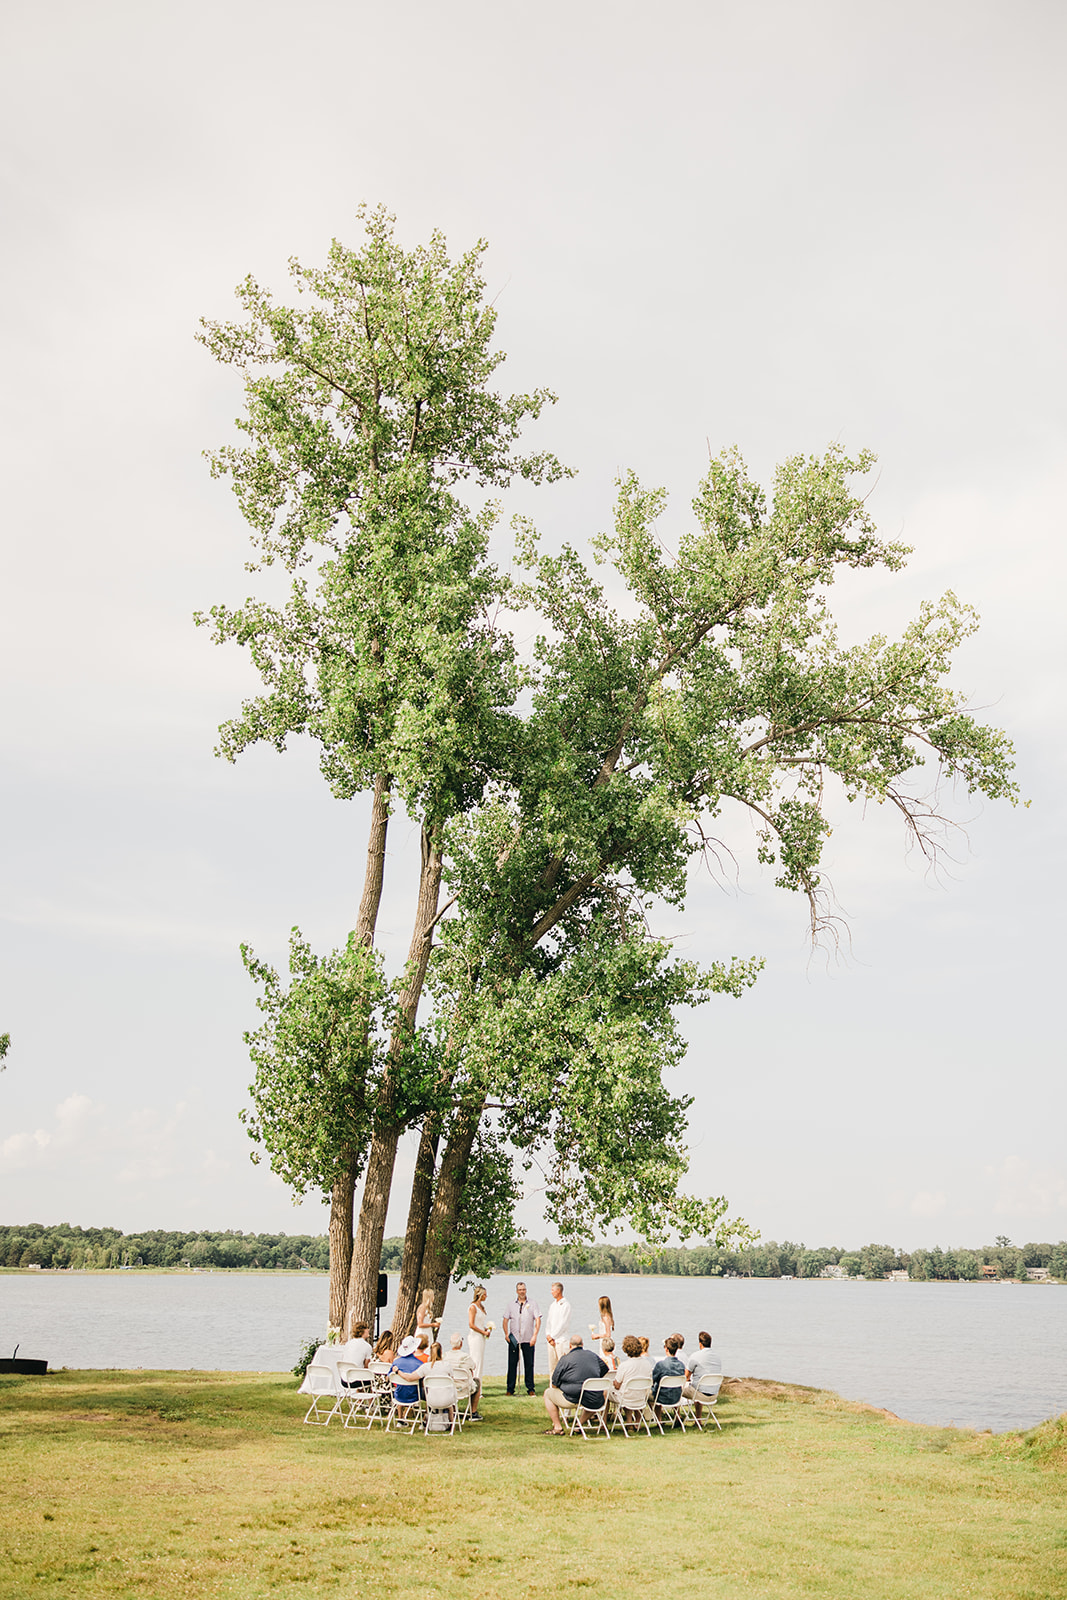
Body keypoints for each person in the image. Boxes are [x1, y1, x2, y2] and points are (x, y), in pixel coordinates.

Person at [543, 1336, 609, 1435]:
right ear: (582, 1345)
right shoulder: (592, 1356)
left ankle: (558, 1427)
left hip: (571, 1398)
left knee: (548, 1393)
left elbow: (554, 1383)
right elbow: (605, 1369)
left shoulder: (565, 1359)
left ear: (570, 1346)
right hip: (592, 1398)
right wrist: (593, 1378)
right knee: (599, 1395)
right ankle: (579, 1424)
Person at [502, 1280, 541, 1396]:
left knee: (529, 1364)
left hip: (528, 1338)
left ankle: (530, 1388)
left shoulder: (532, 1303)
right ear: (516, 1291)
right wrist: (506, 1334)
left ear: (526, 1290)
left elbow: (538, 1320)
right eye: (520, 1290)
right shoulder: (511, 1304)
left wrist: (535, 1335)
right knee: (512, 1364)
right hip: (514, 1338)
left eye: (523, 1289)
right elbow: (505, 1320)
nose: (522, 1292)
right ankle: (510, 1389)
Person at [612, 1334, 655, 1425]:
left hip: (626, 1398)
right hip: (641, 1397)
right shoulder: (647, 1364)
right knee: (632, 1392)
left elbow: (617, 1385)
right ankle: (637, 1422)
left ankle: (626, 1421)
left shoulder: (624, 1365)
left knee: (608, 1393)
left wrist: (613, 1383)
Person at [683, 1330, 722, 1419]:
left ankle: (677, 1418)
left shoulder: (695, 1356)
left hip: (699, 1394)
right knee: (698, 1387)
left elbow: (686, 1377)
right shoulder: (717, 1357)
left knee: (677, 1390)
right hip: (714, 1394)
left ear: (700, 1344)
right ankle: (698, 1419)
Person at [467, 1285, 491, 1419]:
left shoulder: (482, 1307)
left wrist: (487, 1329)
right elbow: (471, 1324)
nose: (486, 1296)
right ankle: (475, 1389)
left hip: (481, 1337)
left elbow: (480, 1322)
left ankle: (479, 1389)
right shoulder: (473, 1307)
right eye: (485, 1294)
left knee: (481, 1362)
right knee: (475, 1362)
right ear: (480, 1294)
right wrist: (483, 1332)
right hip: (475, 1337)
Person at [389, 1335, 424, 1419]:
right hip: (414, 1396)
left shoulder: (396, 1362)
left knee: (401, 1388)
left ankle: (400, 1418)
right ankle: (425, 1418)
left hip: (398, 1395)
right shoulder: (419, 1364)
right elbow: (423, 1381)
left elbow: (389, 1376)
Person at [651, 1335, 686, 1420]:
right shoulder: (681, 1365)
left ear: (666, 1349)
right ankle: (677, 1416)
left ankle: (658, 1419)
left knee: (652, 1393)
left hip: (662, 1397)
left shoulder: (661, 1365)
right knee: (674, 1387)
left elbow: (653, 1379)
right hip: (677, 1397)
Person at [544, 1281, 572, 1371]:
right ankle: (552, 1385)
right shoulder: (552, 1305)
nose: (551, 1292)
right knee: (552, 1367)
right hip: (551, 1341)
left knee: (563, 1367)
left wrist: (553, 1337)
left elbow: (563, 1324)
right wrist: (548, 1335)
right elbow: (548, 1322)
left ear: (558, 1291)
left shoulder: (566, 1305)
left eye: (553, 1290)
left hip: (561, 1340)